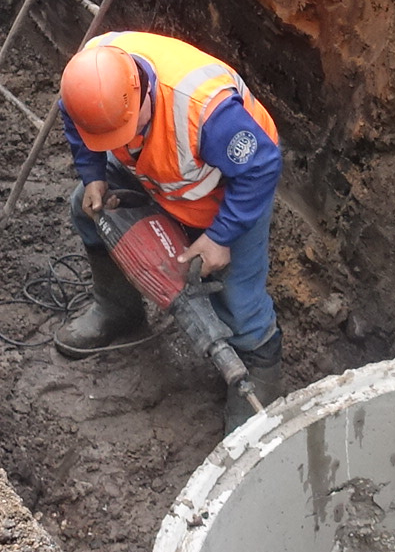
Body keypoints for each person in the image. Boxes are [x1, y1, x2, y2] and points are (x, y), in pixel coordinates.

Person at [55, 31, 284, 428]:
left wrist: (219, 237)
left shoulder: (206, 111)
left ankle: (258, 375)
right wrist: (93, 175)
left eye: (124, 130)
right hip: (153, 174)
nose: (118, 141)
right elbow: (77, 126)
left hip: (226, 194)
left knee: (239, 298)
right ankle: (118, 310)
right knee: (85, 208)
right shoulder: (86, 84)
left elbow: (261, 167)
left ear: (143, 93)